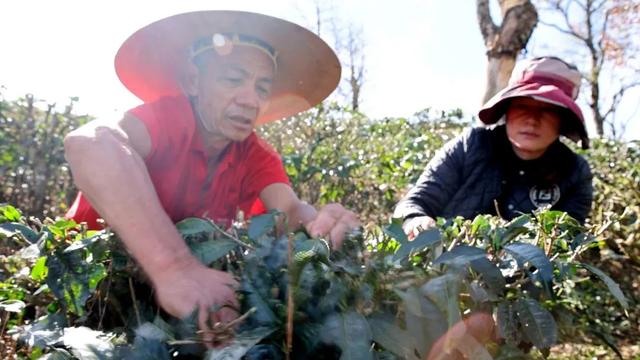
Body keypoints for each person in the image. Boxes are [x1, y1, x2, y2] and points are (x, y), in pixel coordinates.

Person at [63, 11, 359, 335]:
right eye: (233, 80)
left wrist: (321, 226)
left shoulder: (253, 153)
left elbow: (288, 210)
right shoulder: (168, 118)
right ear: (193, 81)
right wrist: (174, 266)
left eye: (262, 88)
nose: (250, 100)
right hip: (87, 278)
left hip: (158, 298)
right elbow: (91, 143)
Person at [394, 56, 593, 238]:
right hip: (443, 268)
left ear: (564, 120)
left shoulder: (575, 171)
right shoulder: (470, 145)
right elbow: (416, 202)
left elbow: (567, 239)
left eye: (548, 110)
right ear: (507, 110)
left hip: (523, 276)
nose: (532, 120)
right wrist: (416, 220)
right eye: (523, 106)